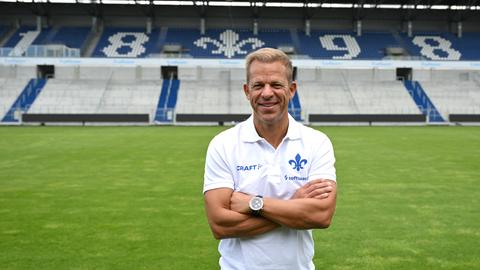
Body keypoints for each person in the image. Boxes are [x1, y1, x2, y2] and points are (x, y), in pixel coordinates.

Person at [203, 47, 337, 270]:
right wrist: (293, 207)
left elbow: (321, 215)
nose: (267, 93)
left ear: (292, 89)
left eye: (276, 85)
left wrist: (253, 204)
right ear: (247, 91)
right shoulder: (223, 144)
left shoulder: (317, 142)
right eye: (258, 85)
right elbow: (219, 224)